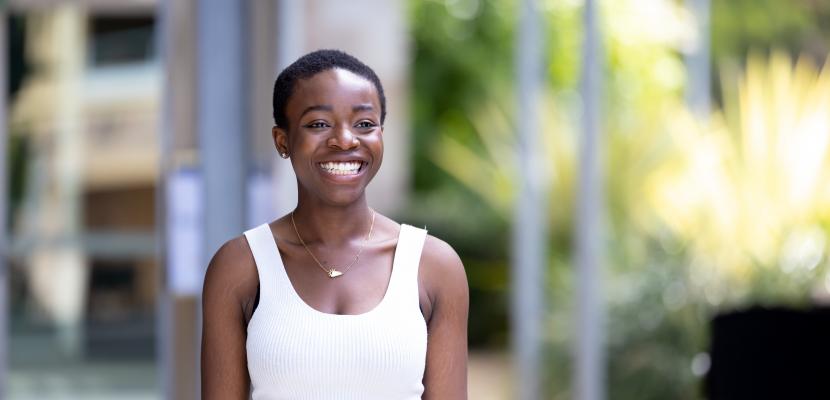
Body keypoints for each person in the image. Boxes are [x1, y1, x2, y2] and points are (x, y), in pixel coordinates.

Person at [201, 49, 469, 399]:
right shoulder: (239, 265)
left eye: (364, 124)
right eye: (318, 124)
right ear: (283, 141)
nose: (345, 139)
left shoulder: (434, 266)